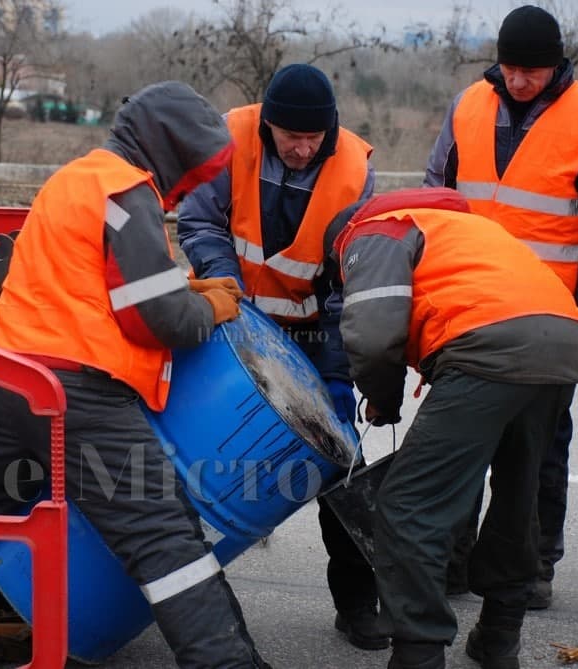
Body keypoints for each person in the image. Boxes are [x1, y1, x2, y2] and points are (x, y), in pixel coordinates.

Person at [0, 81, 269, 669]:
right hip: (75, 397)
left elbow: (89, 285)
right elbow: (161, 320)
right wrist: (209, 307)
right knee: (164, 540)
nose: (186, 191)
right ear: (171, 150)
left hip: (3, 381)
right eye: (192, 174)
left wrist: (186, 287)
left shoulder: (74, 178)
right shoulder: (128, 193)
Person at [423, 4, 578, 608]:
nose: (519, 81)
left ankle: (533, 564)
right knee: (462, 444)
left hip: (549, 318)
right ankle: (453, 563)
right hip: (466, 312)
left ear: (557, 65)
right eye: (511, 69)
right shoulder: (467, 106)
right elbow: (438, 201)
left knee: (539, 449)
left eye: (532, 72)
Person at [176, 63, 385, 650]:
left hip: (313, 334)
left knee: (344, 466)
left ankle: (358, 604)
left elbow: (349, 283)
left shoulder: (354, 172)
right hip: (231, 324)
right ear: (267, 126)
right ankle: (169, 591)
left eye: (312, 139)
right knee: (193, 452)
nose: (300, 148)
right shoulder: (227, 141)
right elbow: (198, 221)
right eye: (290, 136)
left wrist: (339, 375)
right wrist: (230, 297)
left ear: (330, 132)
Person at [332, 187, 578, 669]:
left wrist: (383, 400)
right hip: (560, 340)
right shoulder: (462, 227)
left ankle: (419, 654)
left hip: (486, 346)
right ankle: (498, 637)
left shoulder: (372, 232)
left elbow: (373, 332)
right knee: (518, 495)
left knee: (408, 505)